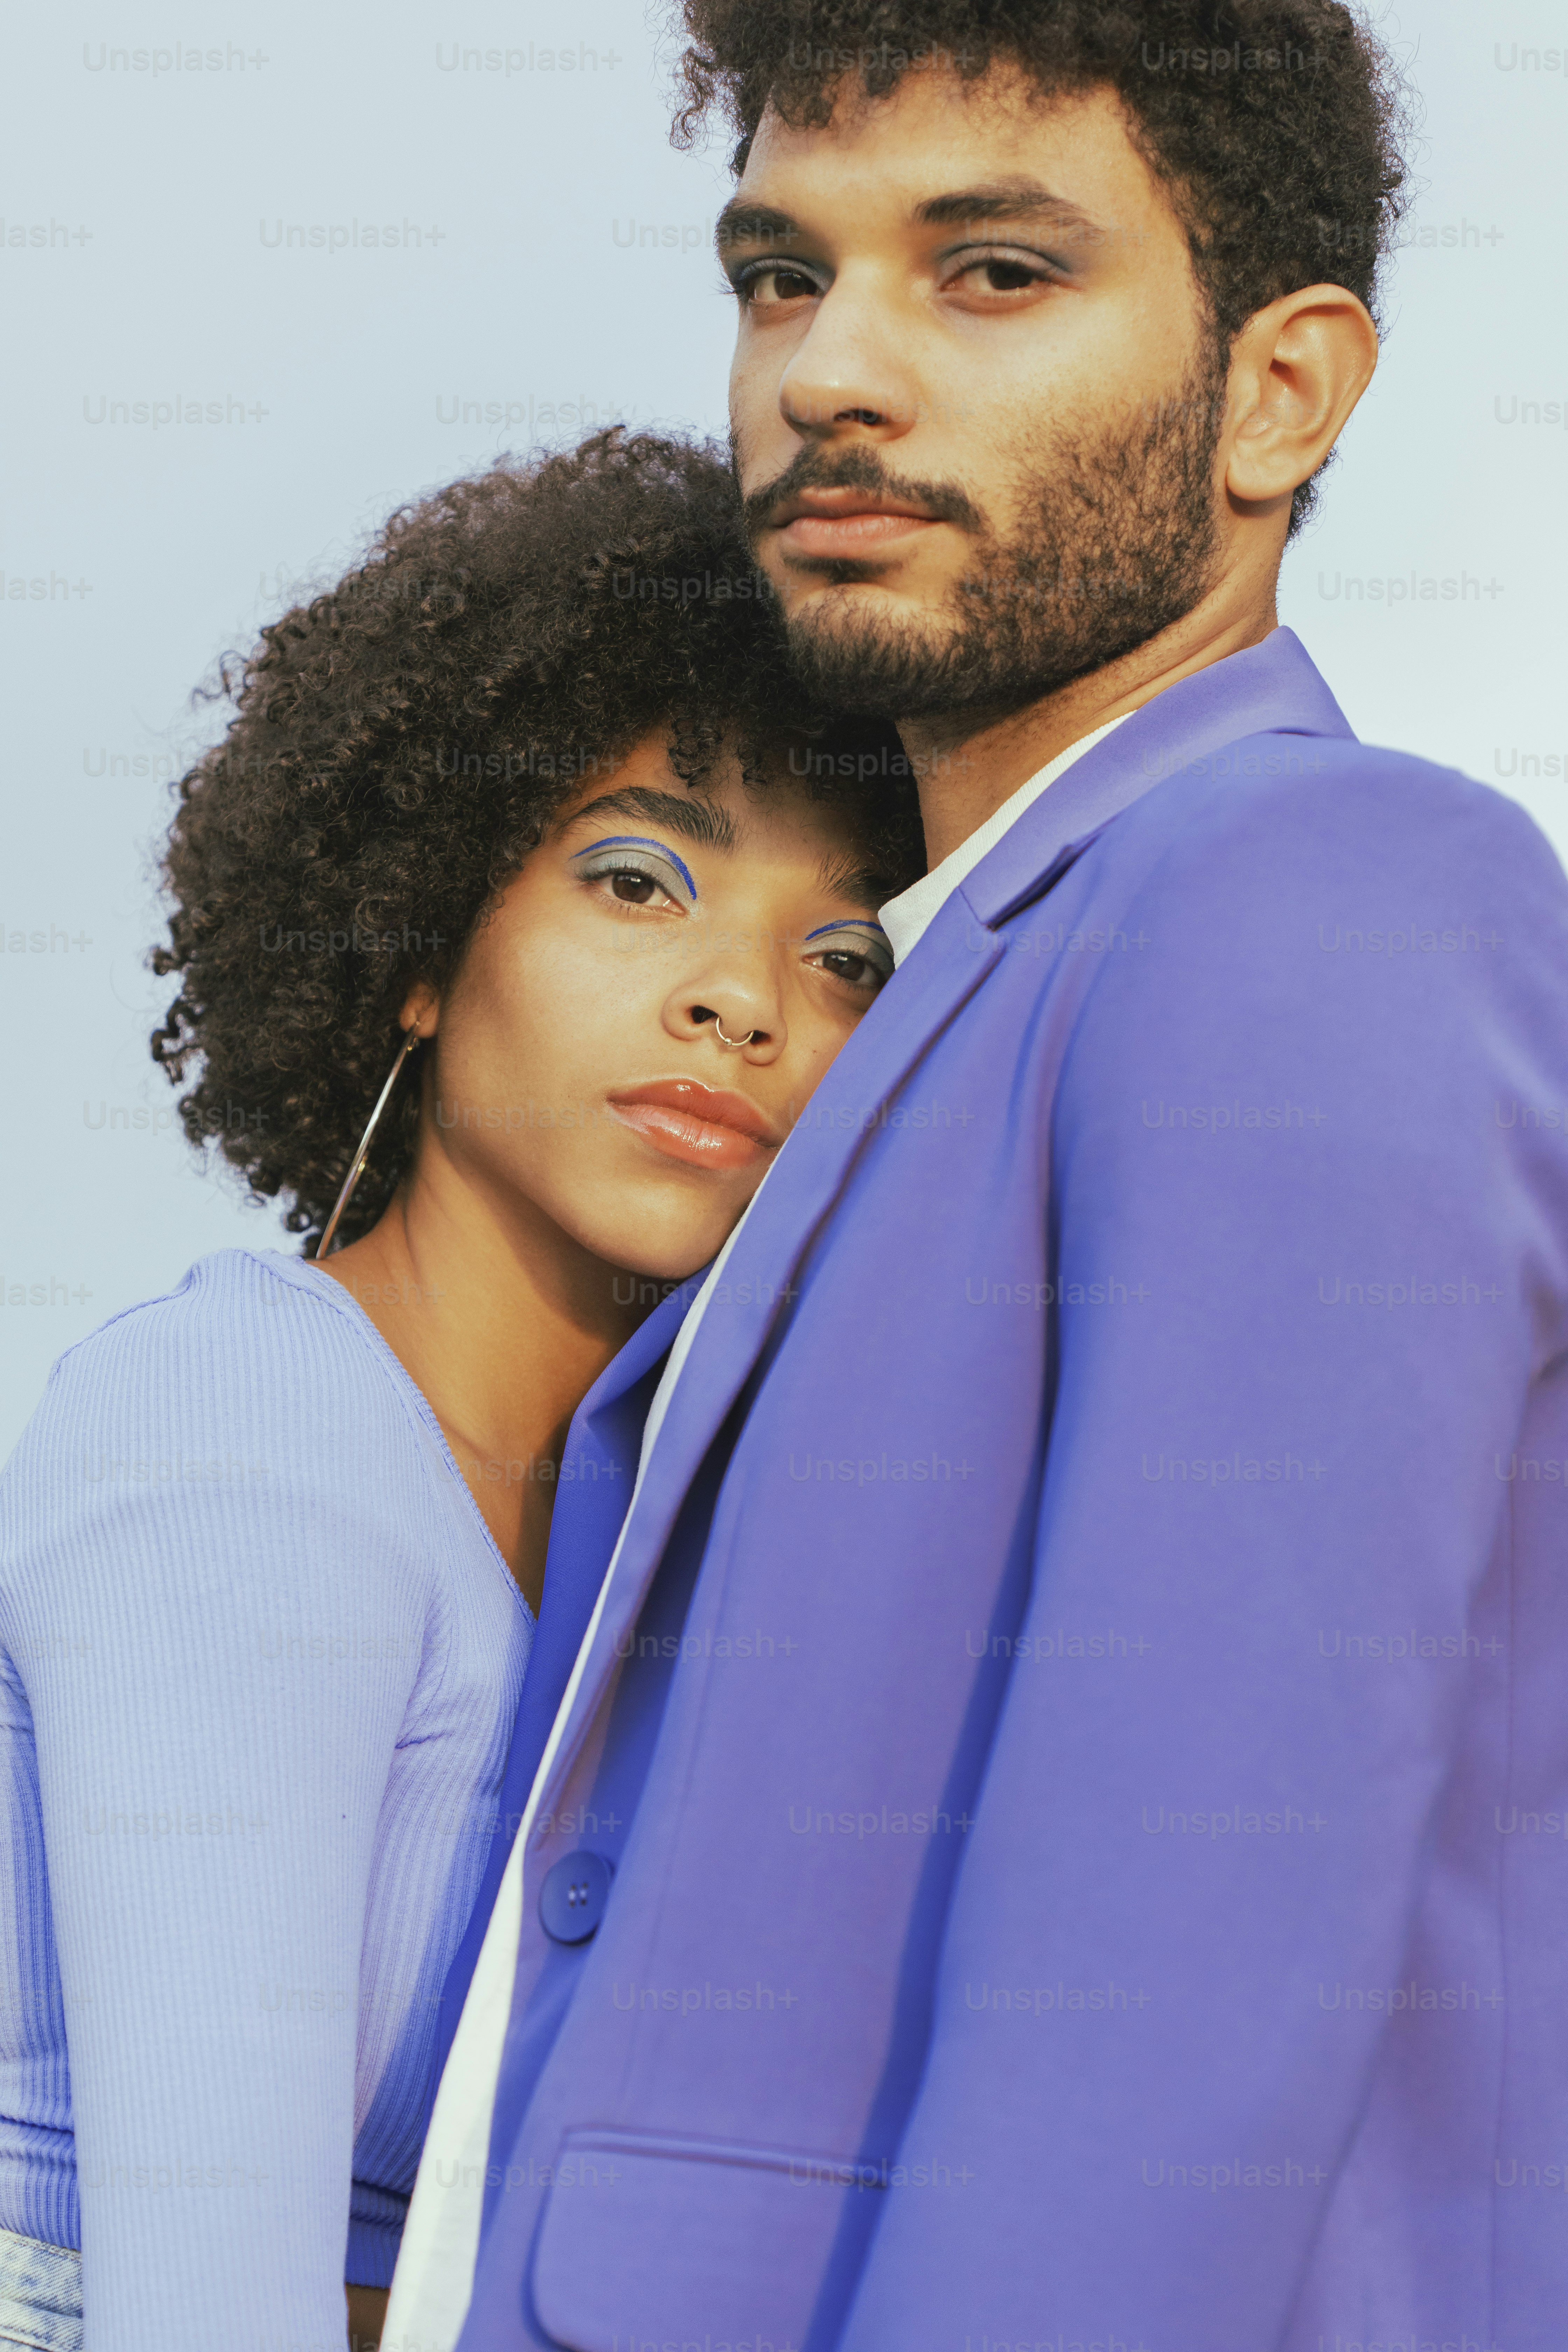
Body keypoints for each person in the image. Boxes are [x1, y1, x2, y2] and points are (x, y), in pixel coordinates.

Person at [387, 10, 1568, 2352]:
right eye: (778, 277)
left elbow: (1181, 1978)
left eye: (995, 272)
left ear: (1281, 394)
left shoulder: (1320, 892)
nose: (830, 373)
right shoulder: (962, 992)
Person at [0, 429, 919, 2352]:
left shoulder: (673, 1524)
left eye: (843, 953)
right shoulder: (240, 1435)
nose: (742, 1000)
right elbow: (201, 2303)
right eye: (640, 879)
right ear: (423, 946)